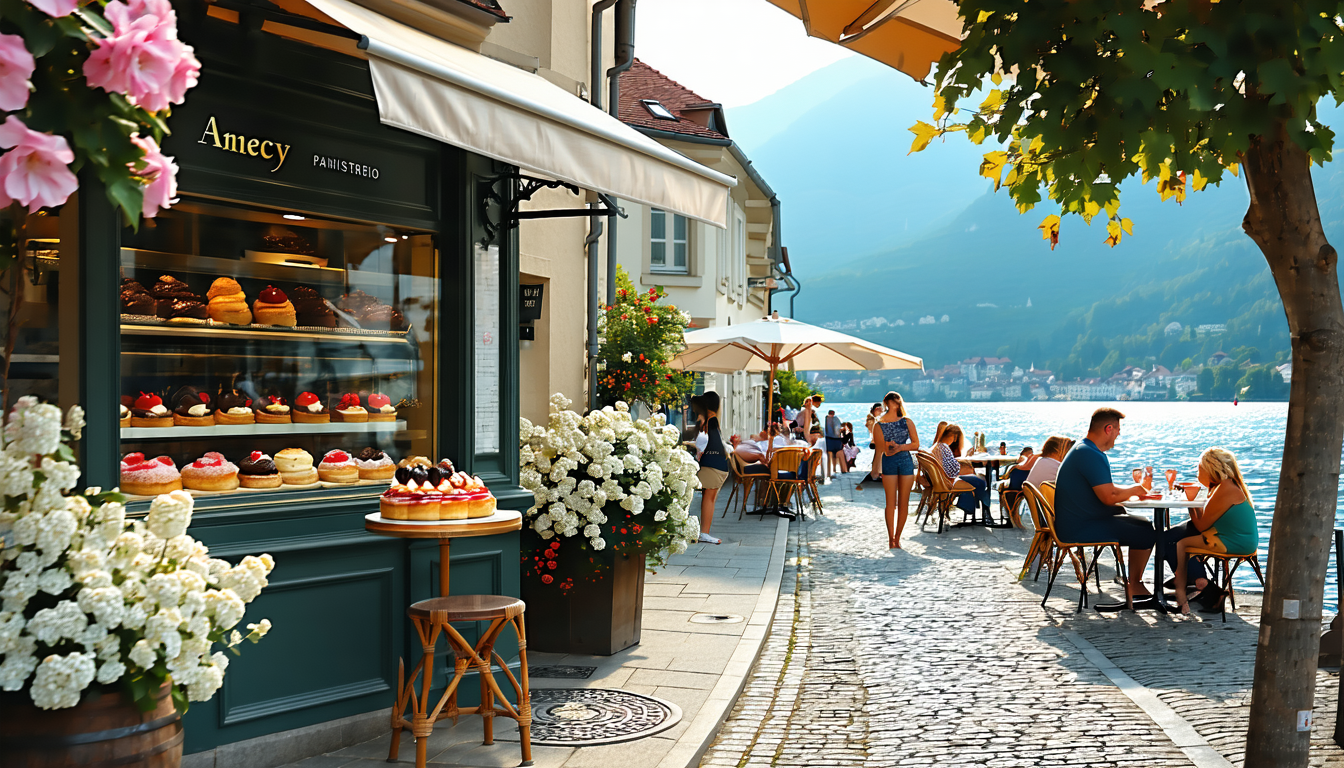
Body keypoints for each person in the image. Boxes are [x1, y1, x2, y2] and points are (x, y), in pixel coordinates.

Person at [1053, 408, 1154, 605]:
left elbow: (1108, 491)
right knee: (1146, 532)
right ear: (1108, 428)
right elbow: (1109, 496)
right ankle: (1135, 584)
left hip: (1078, 522)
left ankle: (1135, 583)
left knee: (1142, 524)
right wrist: (1137, 489)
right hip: (1079, 528)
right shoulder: (1089, 454)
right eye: (1117, 430)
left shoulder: (1084, 449)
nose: (1118, 435)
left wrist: (1133, 490)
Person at [1172, 448, 1259, 615]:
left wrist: (1189, 502)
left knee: (1181, 543)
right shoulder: (1227, 485)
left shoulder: (1225, 489)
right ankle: (1197, 584)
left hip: (1233, 542)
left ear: (1211, 469)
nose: (1197, 474)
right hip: (1238, 539)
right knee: (1177, 534)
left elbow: (1202, 526)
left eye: (1199, 469)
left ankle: (1183, 595)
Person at [874, 391, 919, 549]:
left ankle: (898, 537)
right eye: (892, 401)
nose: (895, 403)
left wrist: (900, 447)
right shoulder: (879, 424)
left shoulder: (907, 421)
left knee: (904, 503)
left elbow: (915, 444)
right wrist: (888, 448)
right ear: (886, 403)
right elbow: (879, 448)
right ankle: (890, 537)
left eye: (897, 401)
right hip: (889, 462)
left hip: (906, 460)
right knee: (890, 503)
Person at [689, 392, 727, 545]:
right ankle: (703, 532)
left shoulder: (709, 422)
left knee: (707, 499)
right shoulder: (712, 421)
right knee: (708, 499)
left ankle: (703, 532)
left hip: (712, 465)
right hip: (715, 465)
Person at [931, 425, 991, 520]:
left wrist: (965, 460)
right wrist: (966, 462)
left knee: (978, 479)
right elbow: (953, 470)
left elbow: (950, 466)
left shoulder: (939, 447)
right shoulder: (945, 448)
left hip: (944, 479)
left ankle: (970, 506)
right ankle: (985, 510)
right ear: (954, 436)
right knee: (981, 481)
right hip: (950, 480)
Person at [856, 404, 884, 491]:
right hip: (876, 441)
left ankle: (878, 475)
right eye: (880, 409)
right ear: (876, 409)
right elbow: (873, 430)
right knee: (879, 459)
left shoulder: (874, 418)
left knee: (878, 459)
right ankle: (876, 476)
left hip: (876, 441)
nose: (882, 411)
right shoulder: (872, 419)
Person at [824, 409, 847, 476]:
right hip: (836, 440)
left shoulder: (826, 419)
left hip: (828, 439)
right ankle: (844, 471)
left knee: (829, 455)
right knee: (840, 454)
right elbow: (838, 430)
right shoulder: (836, 419)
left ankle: (828, 473)